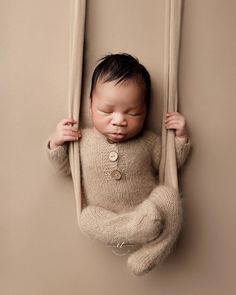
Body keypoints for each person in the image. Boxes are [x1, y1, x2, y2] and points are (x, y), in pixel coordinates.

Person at [45, 53, 191, 275]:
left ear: (145, 112)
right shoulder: (82, 140)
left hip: (147, 210)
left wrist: (180, 138)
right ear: (90, 105)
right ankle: (136, 229)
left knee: (169, 196)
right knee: (86, 218)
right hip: (107, 216)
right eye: (107, 111)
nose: (119, 120)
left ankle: (151, 251)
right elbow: (66, 169)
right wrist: (56, 143)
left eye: (133, 113)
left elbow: (171, 166)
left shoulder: (149, 142)